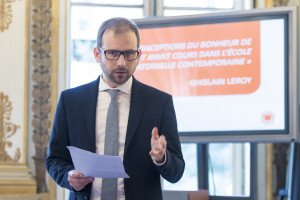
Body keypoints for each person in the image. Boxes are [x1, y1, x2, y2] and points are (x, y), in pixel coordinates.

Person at [46, 17, 185, 200]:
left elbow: (176, 172)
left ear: (139, 55)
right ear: (97, 54)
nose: (121, 62)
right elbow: (54, 159)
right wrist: (68, 177)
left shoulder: (159, 102)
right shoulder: (71, 101)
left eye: (129, 54)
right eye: (112, 53)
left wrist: (161, 158)